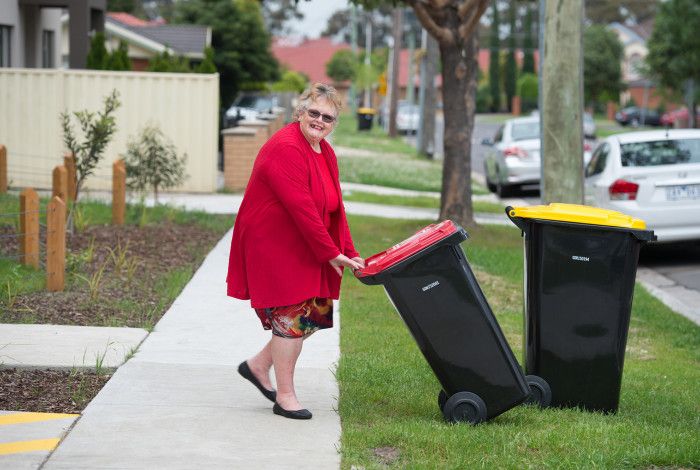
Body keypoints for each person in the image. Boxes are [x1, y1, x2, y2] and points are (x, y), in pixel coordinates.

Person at [226, 83, 364, 420]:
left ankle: (258, 365)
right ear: (299, 112)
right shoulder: (286, 147)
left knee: (312, 312)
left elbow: (334, 208)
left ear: (334, 123)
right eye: (313, 113)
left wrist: (349, 249)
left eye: (327, 117)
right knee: (291, 318)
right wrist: (330, 253)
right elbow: (301, 208)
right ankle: (284, 396)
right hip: (274, 243)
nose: (319, 121)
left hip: (303, 241)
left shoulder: (323, 151)